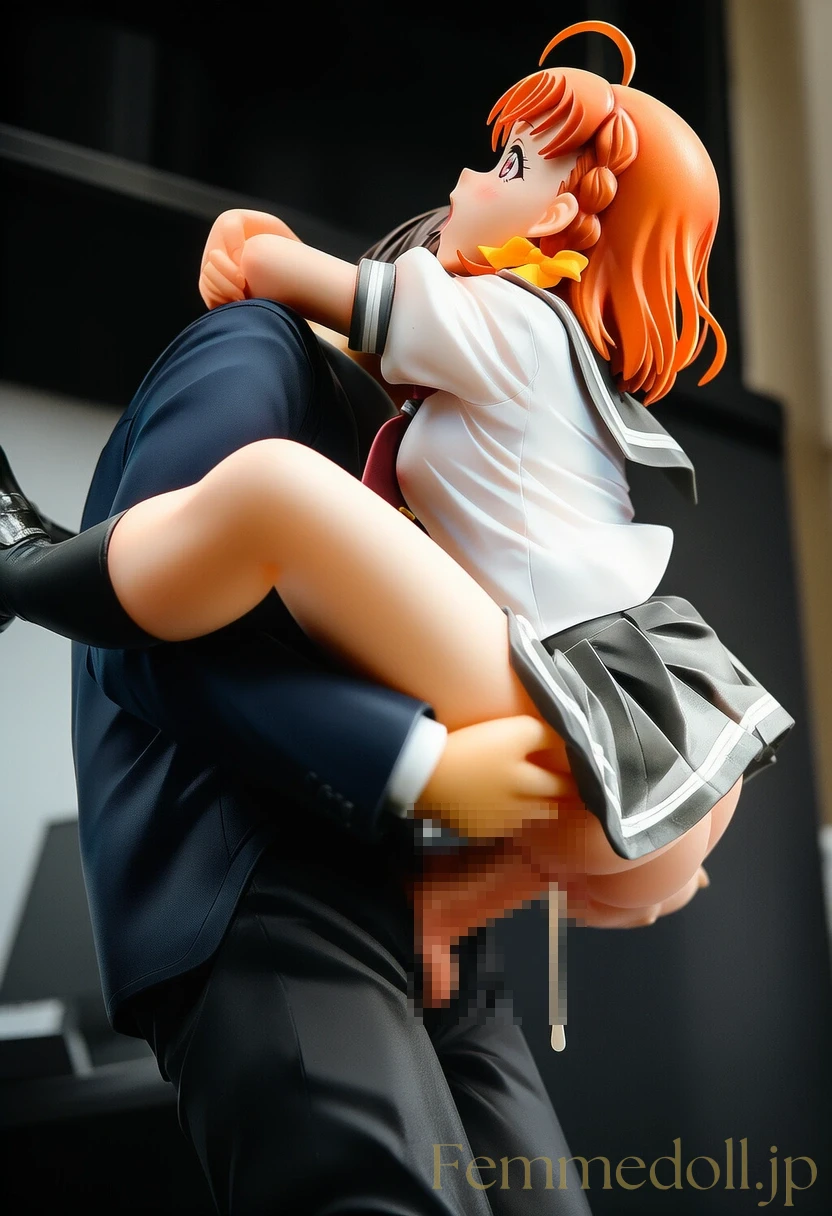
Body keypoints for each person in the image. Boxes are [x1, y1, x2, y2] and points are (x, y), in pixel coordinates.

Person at [0, 20, 790, 1211]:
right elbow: (148, 655)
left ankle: (25, 557)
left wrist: (263, 250)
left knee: (274, 498)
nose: (463, 185)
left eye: (503, 167)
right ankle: (27, 559)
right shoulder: (273, 362)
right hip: (305, 882)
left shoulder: (503, 329)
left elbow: (358, 297)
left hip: (528, 766)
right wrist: (422, 780)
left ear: (553, 232)